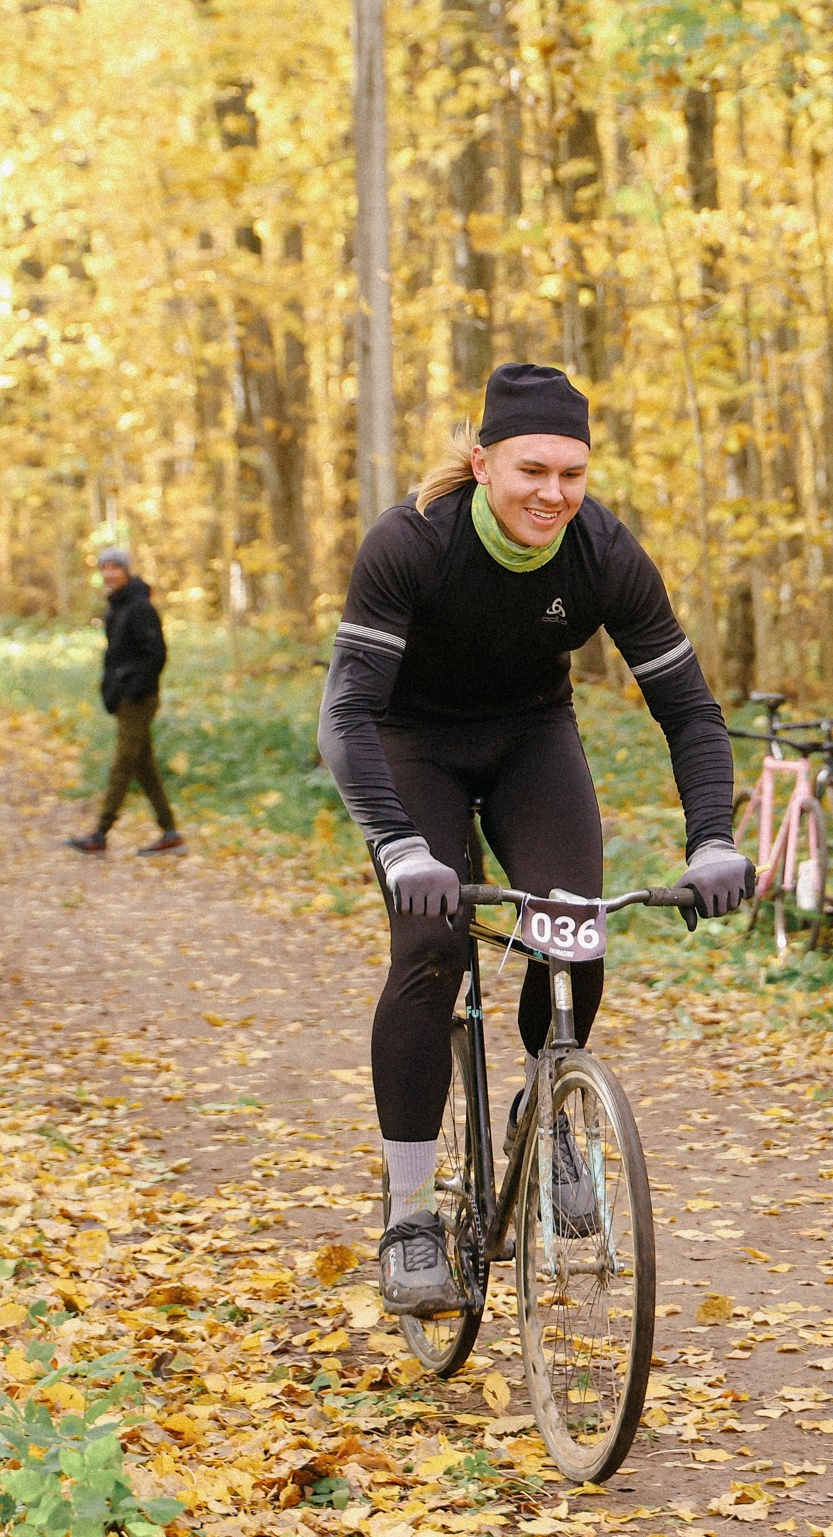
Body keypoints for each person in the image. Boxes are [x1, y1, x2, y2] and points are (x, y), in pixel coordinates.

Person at [320, 362, 752, 1316]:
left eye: (572, 473)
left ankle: (549, 1103)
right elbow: (345, 714)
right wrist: (400, 849)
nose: (552, 494)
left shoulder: (604, 554)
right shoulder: (413, 544)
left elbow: (688, 709)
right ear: (481, 464)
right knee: (431, 951)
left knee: (576, 926)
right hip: (410, 744)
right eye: (530, 471)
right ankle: (408, 1218)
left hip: (529, 740)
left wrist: (713, 840)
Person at [64, 547, 181, 856]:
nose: (109, 573)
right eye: (105, 567)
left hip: (139, 699)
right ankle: (170, 833)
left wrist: (132, 687)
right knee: (144, 767)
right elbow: (115, 655)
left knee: (121, 765)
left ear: (126, 570)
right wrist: (112, 688)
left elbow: (156, 654)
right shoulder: (116, 607)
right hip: (126, 697)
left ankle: (100, 833)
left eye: (115, 567)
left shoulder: (140, 607)